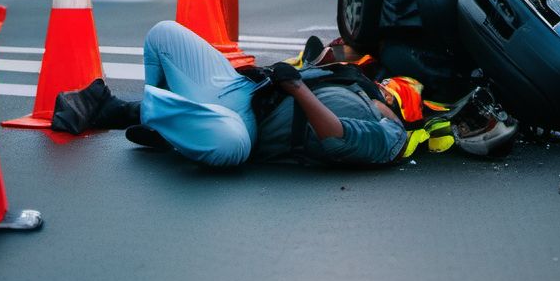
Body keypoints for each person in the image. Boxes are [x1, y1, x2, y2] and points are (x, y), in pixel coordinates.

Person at [126, 21, 408, 167]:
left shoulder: (389, 138)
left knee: (226, 144)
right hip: (240, 89)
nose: (386, 90)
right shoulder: (360, 88)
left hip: (245, 131)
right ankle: (162, 125)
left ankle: (159, 118)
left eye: (395, 94)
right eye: (389, 87)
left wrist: (297, 88)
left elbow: (335, 139)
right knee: (162, 34)